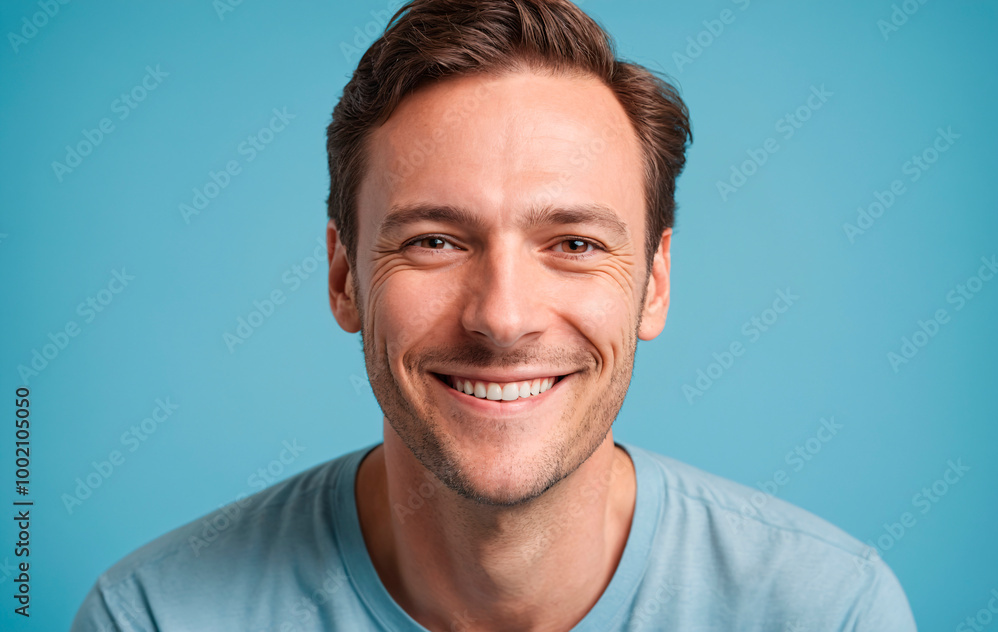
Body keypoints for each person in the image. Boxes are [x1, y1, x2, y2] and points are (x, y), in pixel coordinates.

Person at [72, 0, 917, 630]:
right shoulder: (152, 615)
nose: (503, 319)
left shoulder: (828, 610)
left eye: (576, 244)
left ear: (654, 283)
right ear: (344, 279)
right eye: (435, 241)